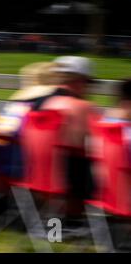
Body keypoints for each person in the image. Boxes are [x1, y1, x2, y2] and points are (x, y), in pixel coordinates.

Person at [35, 56, 99, 218]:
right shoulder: (82, 107)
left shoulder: (42, 104)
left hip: (40, 175)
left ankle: (54, 230)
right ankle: (69, 224)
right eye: (87, 83)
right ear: (78, 81)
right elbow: (96, 142)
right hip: (70, 182)